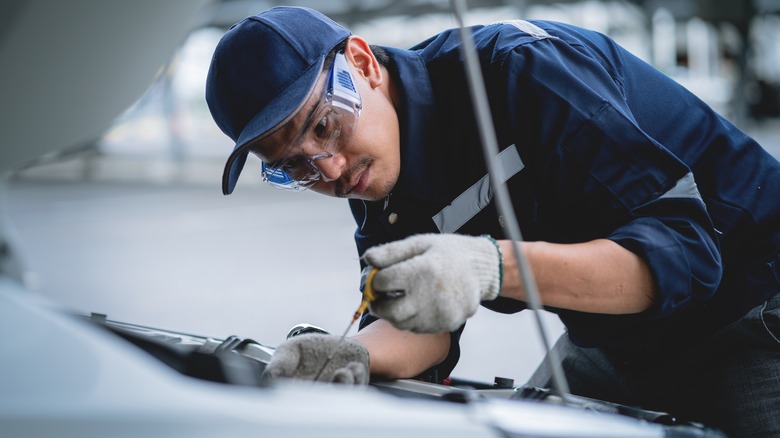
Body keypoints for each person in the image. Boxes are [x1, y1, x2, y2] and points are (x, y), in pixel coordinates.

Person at [205, 6, 780, 436]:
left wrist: (487, 267)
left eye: (325, 126)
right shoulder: (371, 176)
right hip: (620, 342)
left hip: (749, 312)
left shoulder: (521, 72)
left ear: (361, 62)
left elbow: (686, 256)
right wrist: (348, 354)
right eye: (294, 167)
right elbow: (423, 327)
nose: (326, 168)